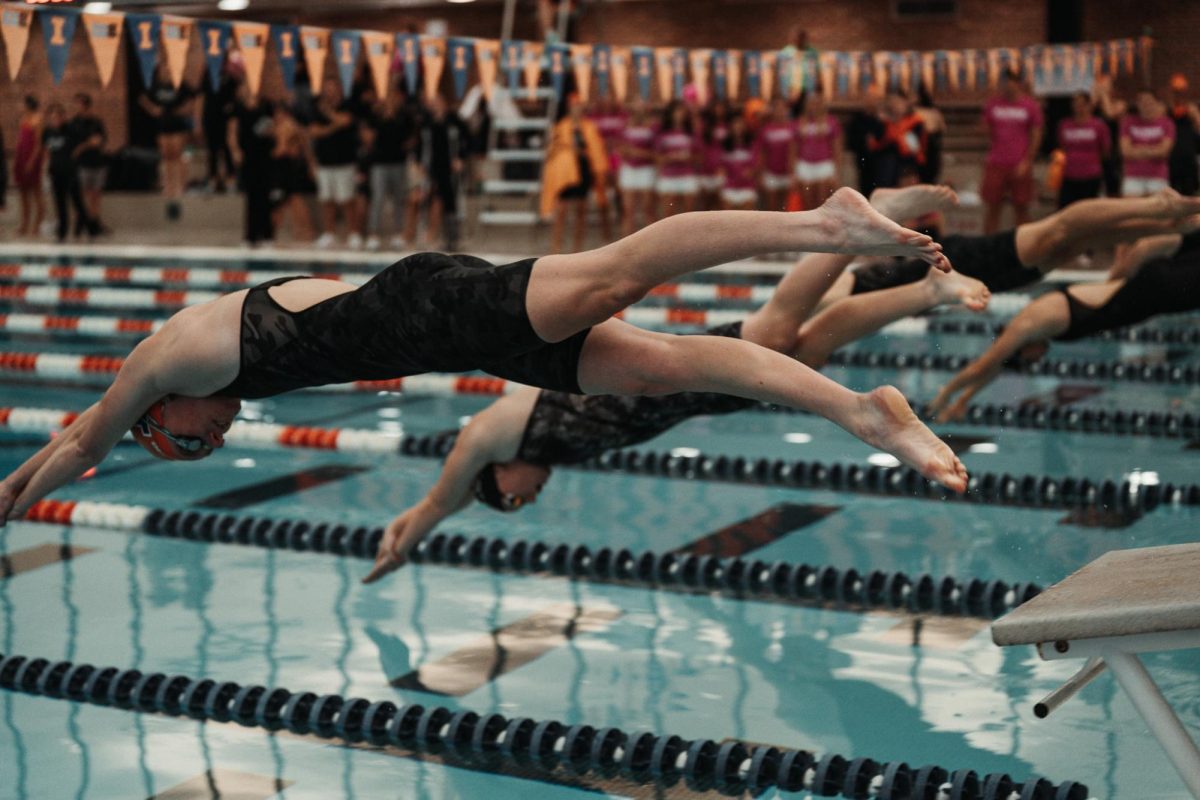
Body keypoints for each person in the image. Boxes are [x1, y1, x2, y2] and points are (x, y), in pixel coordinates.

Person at [0, 189, 953, 536]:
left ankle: (820, 223)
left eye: (189, 449)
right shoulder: (205, 370)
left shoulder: (165, 363)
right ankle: (859, 413)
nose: (216, 440)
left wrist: (8, 497)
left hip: (426, 307)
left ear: (162, 419)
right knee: (669, 366)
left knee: (616, 273)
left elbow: (84, 439)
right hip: (442, 333)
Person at [361, 186, 978, 582]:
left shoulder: (494, 435)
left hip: (657, 373)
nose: (533, 496)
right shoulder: (532, 450)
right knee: (802, 346)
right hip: (671, 393)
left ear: (494, 476)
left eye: (517, 499)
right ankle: (914, 282)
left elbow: (445, 497)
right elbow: (465, 496)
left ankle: (853, 225)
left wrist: (408, 536)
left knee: (777, 331)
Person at [930, 230, 1200, 422]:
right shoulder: (1032, 328)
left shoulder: (1026, 324)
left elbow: (985, 364)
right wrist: (964, 401)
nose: (1038, 360)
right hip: (1152, 290)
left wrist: (946, 394)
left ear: (1023, 350)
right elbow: (996, 368)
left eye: (1030, 362)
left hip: (1159, 291)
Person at [817, 189, 1200, 304]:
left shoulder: (819, 297)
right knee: (1063, 247)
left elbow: (823, 275)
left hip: (951, 262)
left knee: (1055, 231)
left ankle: (1159, 206)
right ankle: (1166, 225)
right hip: (965, 282)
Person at [540, 92, 610, 253]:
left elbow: (596, 150)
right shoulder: (562, 126)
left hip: (584, 170)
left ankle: (577, 248)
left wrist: (595, 166)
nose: (577, 109)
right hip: (565, 173)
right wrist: (569, 150)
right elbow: (553, 148)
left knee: (581, 210)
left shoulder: (589, 127)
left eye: (579, 106)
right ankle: (556, 247)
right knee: (562, 211)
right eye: (574, 106)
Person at [981, 70, 1043, 233]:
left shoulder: (1030, 105)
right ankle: (988, 247)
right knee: (993, 207)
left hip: (1020, 163)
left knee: (1021, 208)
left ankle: (1025, 248)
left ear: (1018, 83)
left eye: (1010, 82)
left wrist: (1028, 160)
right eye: (1004, 82)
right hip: (996, 162)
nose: (1007, 86)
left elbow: (1036, 135)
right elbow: (985, 130)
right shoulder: (993, 104)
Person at [138, 61, 196, 221]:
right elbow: (143, 98)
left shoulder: (180, 85)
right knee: (166, 157)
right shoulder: (157, 87)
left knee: (178, 157)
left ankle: (180, 186)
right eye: (165, 70)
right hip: (163, 127)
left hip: (177, 127)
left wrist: (185, 110)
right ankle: (168, 187)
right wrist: (153, 109)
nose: (168, 73)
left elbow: (193, 97)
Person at [309, 78, 362, 249]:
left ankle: (354, 233)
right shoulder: (316, 107)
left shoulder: (348, 104)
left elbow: (345, 121)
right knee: (327, 200)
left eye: (332, 88)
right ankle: (329, 234)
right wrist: (334, 125)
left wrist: (328, 115)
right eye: (326, 88)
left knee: (347, 200)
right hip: (325, 162)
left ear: (339, 89)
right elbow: (314, 132)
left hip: (345, 161)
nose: (329, 92)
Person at [414, 93, 469, 251]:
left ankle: (452, 237)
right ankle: (430, 234)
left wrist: (461, 159)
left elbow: (467, 140)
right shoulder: (427, 123)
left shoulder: (454, 121)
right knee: (429, 199)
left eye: (438, 102)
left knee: (451, 202)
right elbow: (420, 145)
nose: (435, 105)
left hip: (450, 168)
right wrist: (419, 163)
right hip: (432, 167)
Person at [364, 88, 416, 251]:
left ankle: (398, 234)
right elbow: (368, 138)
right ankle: (373, 234)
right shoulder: (376, 115)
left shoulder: (404, 116)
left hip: (398, 162)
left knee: (399, 199)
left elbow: (412, 137)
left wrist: (404, 148)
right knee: (378, 199)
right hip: (379, 163)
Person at [228, 86, 276, 247]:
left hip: (264, 155)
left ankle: (267, 235)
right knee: (251, 197)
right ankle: (250, 236)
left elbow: (273, 127)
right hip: (248, 156)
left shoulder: (266, 105)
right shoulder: (238, 108)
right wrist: (235, 151)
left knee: (265, 196)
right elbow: (232, 132)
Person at [41, 103, 88, 244]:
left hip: (70, 171)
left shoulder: (71, 129)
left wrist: (75, 153)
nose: (55, 120)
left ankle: (82, 224)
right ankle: (62, 232)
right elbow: (46, 149)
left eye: (57, 117)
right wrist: (45, 166)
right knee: (60, 202)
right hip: (55, 171)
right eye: (52, 117)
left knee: (76, 201)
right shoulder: (47, 132)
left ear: (62, 117)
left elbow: (84, 142)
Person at [1056, 92, 1111, 208]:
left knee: (1088, 211)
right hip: (1069, 175)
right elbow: (1062, 147)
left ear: (1089, 105)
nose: (1078, 107)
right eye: (1075, 104)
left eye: (1082, 104)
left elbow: (1105, 150)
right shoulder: (1065, 124)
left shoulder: (1099, 126)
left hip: (1091, 175)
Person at [269, 103, 315, 243]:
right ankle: (301, 232)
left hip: (287, 169)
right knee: (283, 204)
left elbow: (280, 150)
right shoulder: (283, 127)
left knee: (289, 202)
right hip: (286, 169)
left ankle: (306, 232)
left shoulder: (287, 126)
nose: (277, 116)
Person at [1120, 89, 1174, 197]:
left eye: (1149, 102)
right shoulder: (1128, 122)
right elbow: (1126, 151)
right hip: (1133, 175)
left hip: (1158, 176)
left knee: (1158, 211)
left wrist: (1138, 149)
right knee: (1132, 211)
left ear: (1156, 103)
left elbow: (1163, 152)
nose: (1146, 105)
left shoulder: (1167, 123)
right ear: (1138, 104)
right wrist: (1153, 149)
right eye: (1142, 102)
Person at [868, 88, 926, 190]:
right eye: (892, 102)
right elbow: (874, 145)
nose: (896, 106)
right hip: (885, 171)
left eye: (899, 102)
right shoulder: (880, 123)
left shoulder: (914, 123)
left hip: (907, 168)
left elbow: (916, 148)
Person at [794, 91, 842, 210]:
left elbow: (837, 148)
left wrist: (836, 171)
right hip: (804, 164)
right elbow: (793, 149)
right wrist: (792, 172)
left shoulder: (831, 122)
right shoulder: (799, 122)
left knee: (823, 201)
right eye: (811, 104)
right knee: (807, 202)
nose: (814, 107)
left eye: (817, 104)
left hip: (824, 164)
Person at [69, 93, 107, 238]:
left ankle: (94, 223)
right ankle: (82, 223)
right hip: (82, 165)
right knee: (83, 195)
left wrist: (89, 144)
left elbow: (101, 141)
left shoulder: (96, 122)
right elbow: (75, 148)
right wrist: (87, 144)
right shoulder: (74, 124)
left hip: (97, 163)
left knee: (95, 196)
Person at [617, 100, 657, 235]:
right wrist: (627, 152)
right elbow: (620, 149)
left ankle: (652, 245)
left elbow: (658, 152)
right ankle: (626, 246)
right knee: (628, 211)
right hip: (629, 169)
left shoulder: (652, 126)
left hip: (646, 170)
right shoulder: (624, 125)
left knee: (648, 209)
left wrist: (637, 152)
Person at [655, 100, 699, 216]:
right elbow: (657, 158)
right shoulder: (662, 133)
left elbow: (699, 157)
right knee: (669, 214)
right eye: (677, 111)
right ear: (670, 113)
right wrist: (671, 157)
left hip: (686, 176)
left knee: (689, 214)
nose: (679, 114)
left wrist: (687, 157)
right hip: (669, 177)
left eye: (682, 111)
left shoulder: (691, 133)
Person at [13, 95, 45, 238]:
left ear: (28, 105)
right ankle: (24, 224)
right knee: (23, 193)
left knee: (36, 193)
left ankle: (37, 225)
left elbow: (39, 144)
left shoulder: (38, 119)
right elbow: (20, 141)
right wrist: (17, 158)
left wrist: (32, 161)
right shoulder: (23, 119)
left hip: (32, 159)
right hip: (21, 157)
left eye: (23, 104)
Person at [755, 97, 795, 212]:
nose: (780, 111)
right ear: (772, 111)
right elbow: (762, 153)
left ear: (787, 110)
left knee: (787, 208)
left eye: (782, 109)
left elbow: (797, 152)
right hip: (771, 173)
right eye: (777, 109)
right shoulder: (766, 130)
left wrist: (795, 173)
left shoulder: (793, 127)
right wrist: (760, 174)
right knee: (772, 208)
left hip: (788, 173)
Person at [1165, 74, 1200, 196]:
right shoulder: (1166, 111)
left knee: (1189, 194)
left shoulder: (1192, 110)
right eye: (1175, 91)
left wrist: (1195, 117)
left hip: (1188, 157)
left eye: (1180, 91)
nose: (1178, 94)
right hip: (1171, 158)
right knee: (1172, 193)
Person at [1093, 75, 1127, 198]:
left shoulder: (1119, 103)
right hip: (1096, 150)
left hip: (1113, 149)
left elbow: (1110, 114)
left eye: (1105, 84)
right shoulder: (1094, 105)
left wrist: (1103, 95)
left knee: (1112, 181)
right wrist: (1096, 95)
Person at [719, 113, 757, 210]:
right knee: (728, 219)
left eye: (740, 125)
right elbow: (721, 166)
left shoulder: (752, 145)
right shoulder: (724, 146)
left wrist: (752, 171)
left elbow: (756, 165)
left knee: (746, 218)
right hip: (729, 187)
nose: (738, 128)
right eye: (735, 125)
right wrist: (721, 172)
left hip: (747, 187)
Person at [914, 86, 946, 185]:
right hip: (925, 142)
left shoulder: (916, 111)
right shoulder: (934, 112)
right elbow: (942, 128)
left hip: (928, 143)